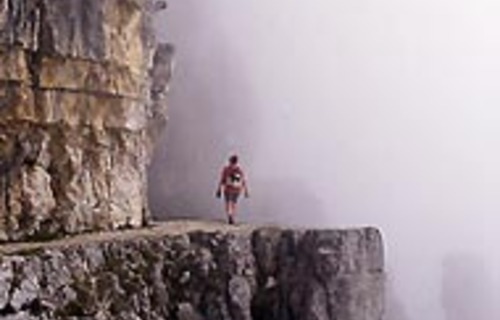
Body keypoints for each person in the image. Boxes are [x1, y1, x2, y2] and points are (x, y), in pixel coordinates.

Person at [216, 154, 249, 224]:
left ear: (230, 161)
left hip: (228, 189)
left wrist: (219, 189)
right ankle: (232, 217)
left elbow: (222, 180)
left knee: (228, 203)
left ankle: (229, 215)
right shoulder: (239, 170)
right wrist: (246, 191)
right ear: (236, 162)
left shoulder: (226, 169)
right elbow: (243, 181)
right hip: (236, 189)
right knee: (234, 203)